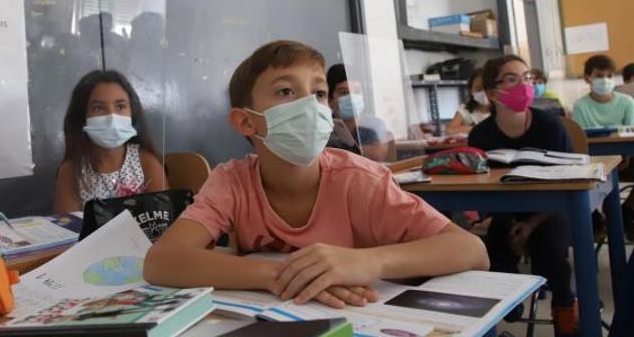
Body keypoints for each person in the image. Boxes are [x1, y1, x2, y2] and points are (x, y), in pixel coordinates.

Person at [144, 40, 488, 309]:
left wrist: (367, 262)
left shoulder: (360, 180)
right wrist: (280, 275)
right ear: (246, 121)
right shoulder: (232, 181)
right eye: (285, 91)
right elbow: (163, 261)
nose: (309, 105)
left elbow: (471, 250)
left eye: (319, 93)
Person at [467, 55, 579, 336]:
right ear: (493, 93)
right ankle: (511, 299)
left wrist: (530, 225)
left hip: (550, 210)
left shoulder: (551, 126)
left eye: (527, 78)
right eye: (512, 79)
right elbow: (482, 188)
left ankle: (565, 305)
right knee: (491, 250)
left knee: (551, 251)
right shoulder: (480, 135)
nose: (524, 85)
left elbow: (569, 183)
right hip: (506, 213)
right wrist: (499, 220)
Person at [54, 70, 167, 212]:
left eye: (120, 106)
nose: (112, 117)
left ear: (132, 112)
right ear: (82, 117)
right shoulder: (71, 171)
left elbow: (164, 220)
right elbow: (67, 228)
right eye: (98, 108)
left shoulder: (146, 162)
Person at [574, 55, 634, 240]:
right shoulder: (580, 105)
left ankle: (627, 208)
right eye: (599, 75)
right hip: (596, 163)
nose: (605, 80)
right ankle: (596, 218)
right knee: (580, 181)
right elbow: (580, 143)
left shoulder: (626, 102)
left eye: (609, 76)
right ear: (587, 78)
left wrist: (626, 155)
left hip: (627, 159)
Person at [325, 63, 395, 162]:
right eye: (344, 92)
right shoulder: (324, 128)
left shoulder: (373, 126)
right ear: (330, 100)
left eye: (357, 91)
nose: (352, 97)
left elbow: (376, 156)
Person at [445, 68, 490, 135]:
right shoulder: (464, 109)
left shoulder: (500, 111)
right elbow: (449, 130)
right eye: (478, 89)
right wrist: (475, 128)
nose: (483, 93)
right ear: (470, 90)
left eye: (487, 88)